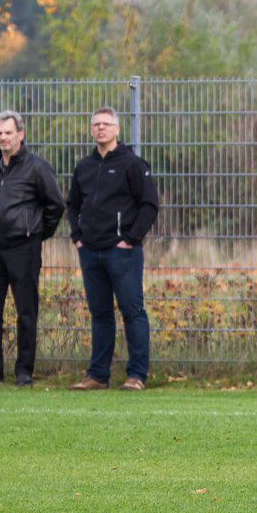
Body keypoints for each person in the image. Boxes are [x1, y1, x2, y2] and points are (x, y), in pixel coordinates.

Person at [0, 110, 65, 387]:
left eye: (8, 132)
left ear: (20, 134)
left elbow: (55, 205)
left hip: (24, 247)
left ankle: (24, 370)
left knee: (26, 311)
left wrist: (35, 233)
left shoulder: (36, 167)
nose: (3, 138)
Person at [66, 107, 159, 391]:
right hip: (90, 251)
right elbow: (72, 204)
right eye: (96, 124)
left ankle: (136, 375)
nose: (101, 129)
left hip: (122, 252)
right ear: (91, 129)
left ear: (117, 129)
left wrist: (130, 238)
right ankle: (97, 376)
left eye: (106, 124)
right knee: (100, 313)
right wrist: (77, 236)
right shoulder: (84, 166)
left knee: (132, 311)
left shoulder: (132, 164)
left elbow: (149, 204)